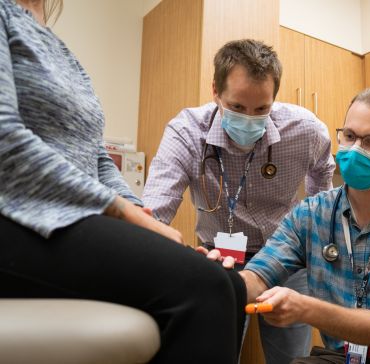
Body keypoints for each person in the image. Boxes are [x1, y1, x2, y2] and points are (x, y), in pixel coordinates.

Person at [0, 1, 246, 363]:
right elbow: (5, 139)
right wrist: (123, 214)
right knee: (205, 288)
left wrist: (134, 209)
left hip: (69, 218)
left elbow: (96, 155)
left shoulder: (61, 51)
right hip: (18, 214)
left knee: (231, 284)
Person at [207, 88, 370, 363]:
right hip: (345, 355)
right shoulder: (310, 214)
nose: (355, 150)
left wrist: (306, 309)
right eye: (349, 136)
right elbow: (259, 274)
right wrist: (214, 278)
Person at [143, 39, 335, 362]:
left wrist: (317, 239)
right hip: (222, 260)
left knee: (293, 359)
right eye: (237, 108)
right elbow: (154, 212)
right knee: (215, 353)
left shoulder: (305, 130)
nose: (249, 119)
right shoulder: (186, 132)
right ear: (215, 91)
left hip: (287, 258)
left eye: (262, 109)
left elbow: (323, 173)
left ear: (275, 96)